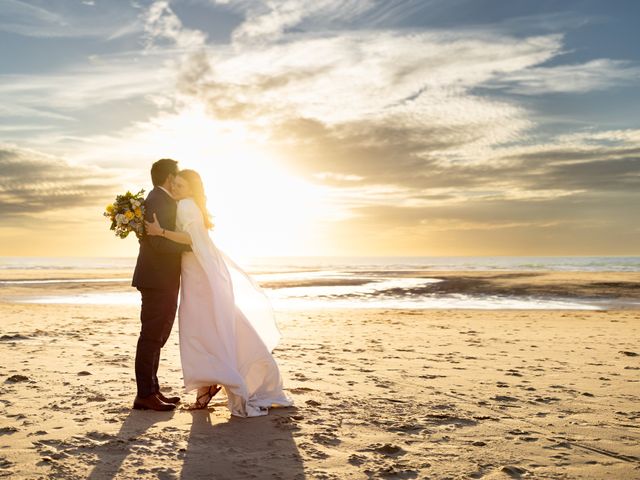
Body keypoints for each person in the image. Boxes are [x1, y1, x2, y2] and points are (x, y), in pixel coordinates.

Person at [145, 169, 294, 417]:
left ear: (192, 188)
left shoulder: (185, 205)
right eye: (176, 185)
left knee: (201, 326)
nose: (176, 189)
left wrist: (160, 232)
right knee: (207, 325)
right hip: (197, 269)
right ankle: (208, 383)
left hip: (198, 273)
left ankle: (209, 383)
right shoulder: (191, 204)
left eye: (181, 185)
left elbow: (190, 238)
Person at [131, 159, 191, 411]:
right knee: (151, 336)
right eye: (175, 175)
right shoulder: (158, 200)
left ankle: (152, 389)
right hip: (157, 278)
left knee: (157, 335)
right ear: (168, 177)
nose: (177, 180)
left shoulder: (162, 198)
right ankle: (145, 394)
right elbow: (156, 242)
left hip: (160, 277)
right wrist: (189, 245)